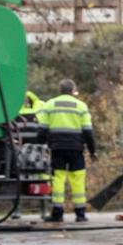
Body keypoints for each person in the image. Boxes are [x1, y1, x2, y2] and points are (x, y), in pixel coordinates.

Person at [36, 79, 95, 223]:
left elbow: (42, 129)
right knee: (78, 180)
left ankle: (57, 213)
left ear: (60, 89)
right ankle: (80, 214)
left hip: (57, 148)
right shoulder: (81, 106)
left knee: (58, 180)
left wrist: (42, 145)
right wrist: (93, 150)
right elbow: (88, 131)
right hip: (76, 148)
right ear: (73, 90)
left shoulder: (50, 104)